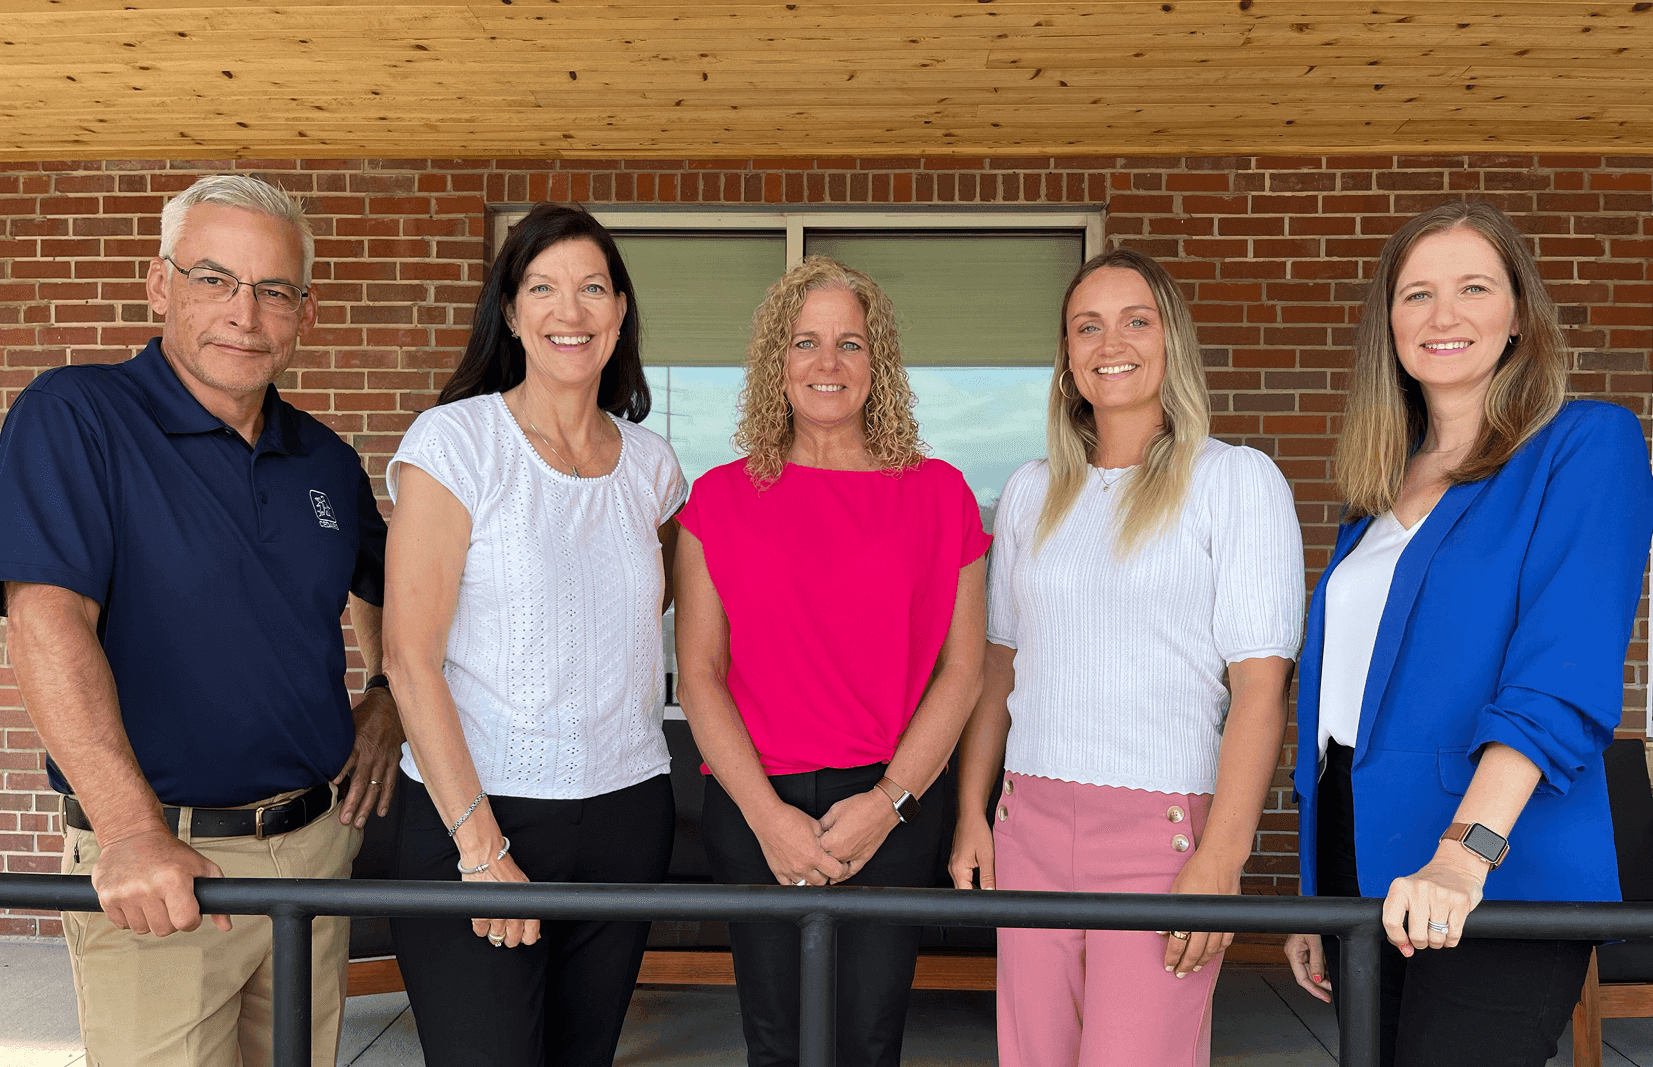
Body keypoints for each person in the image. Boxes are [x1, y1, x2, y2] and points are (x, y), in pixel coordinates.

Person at [0, 174, 400, 1066]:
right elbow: (44, 621)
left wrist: (386, 692)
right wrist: (131, 831)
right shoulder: (76, 416)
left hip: (313, 849)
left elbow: (391, 585)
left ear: (304, 310)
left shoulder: (326, 459)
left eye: (274, 290)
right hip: (166, 866)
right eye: (215, 279)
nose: (244, 314)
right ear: (159, 285)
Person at [1282, 200, 1653, 1067]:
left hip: (1495, 863)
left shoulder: (1585, 443)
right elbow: (1343, 708)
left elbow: (1560, 676)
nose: (1441, 316)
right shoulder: (1374, 492)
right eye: (1415, 295)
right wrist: (1311, 890)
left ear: (1518, 313)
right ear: (1389, 324)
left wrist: (1464, 854)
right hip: (1356, 856)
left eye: (1472, 287)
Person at [949, 247, 1304, 1067]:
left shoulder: (1234, 481)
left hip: (1161, 835)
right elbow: (1000, 666)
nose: (1111, 341)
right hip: (1026, 822)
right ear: (1068, 358)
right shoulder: (1033, 489)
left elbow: (1260, 686)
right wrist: (973, 810)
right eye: (1087, 326)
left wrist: (1222, 859)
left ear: (1169, 340)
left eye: (1135, 320)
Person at [381, 203, 684, 1067]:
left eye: (593, 288)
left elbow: (637, 615)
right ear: (511, 313)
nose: (570, 310)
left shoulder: (653, 466)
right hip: (478, 812)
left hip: (628, 811)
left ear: (620, 310)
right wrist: (481, 849)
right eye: (543, 288)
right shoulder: (457, 442)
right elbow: (409, 656)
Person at [673, 255, 989, 1067]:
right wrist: (765, 816)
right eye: (805, 342)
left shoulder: (940, 493)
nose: (826, 363)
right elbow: (699, 672)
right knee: (775, 1042)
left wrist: (891, 801)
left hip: (891, 800)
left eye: (850, 343)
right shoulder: (717, 497)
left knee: (869, 1039)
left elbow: (963, 670)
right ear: (774, 362)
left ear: (876, 363)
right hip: (754, 806)